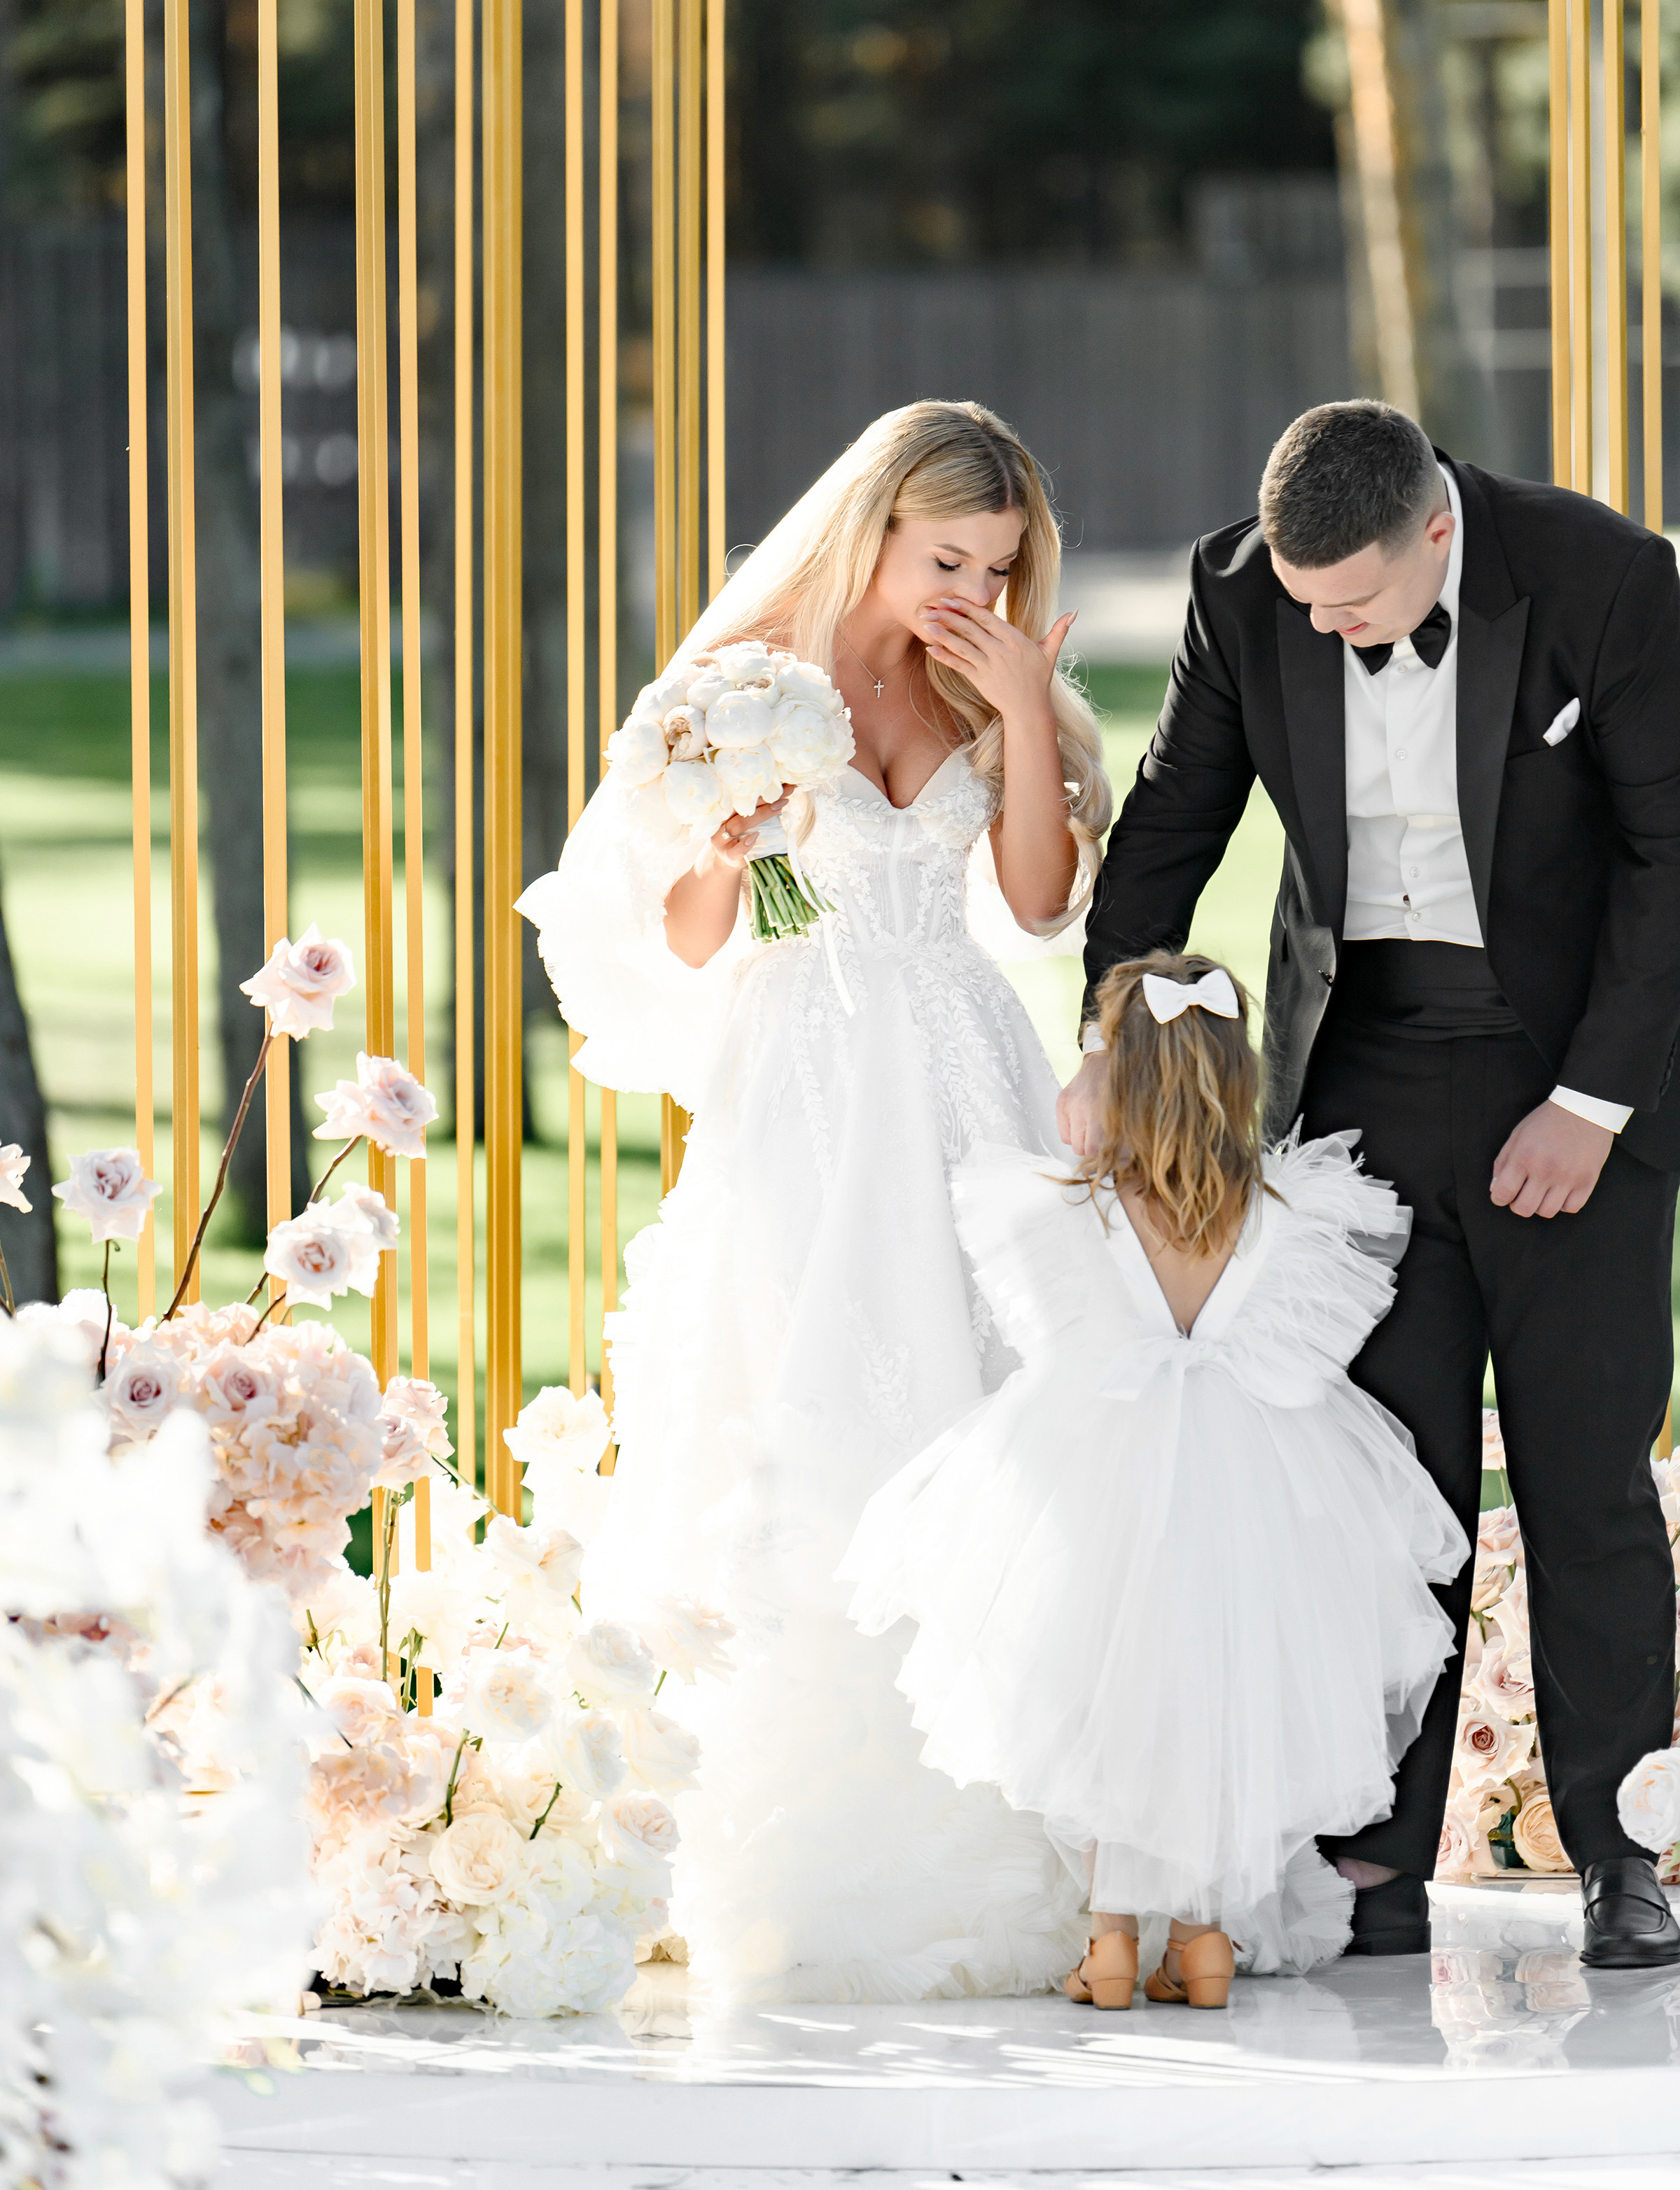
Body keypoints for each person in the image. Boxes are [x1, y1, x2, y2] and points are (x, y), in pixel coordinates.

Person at [1058, 400, 1680, 1970]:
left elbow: (1675, 857)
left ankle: (1627, 1853)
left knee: (1587, 1476)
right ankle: (1375, 1858)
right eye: (1304, 600)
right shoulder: (1241, 592)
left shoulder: (1606, 579)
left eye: (1356, 604)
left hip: (1571, 1076)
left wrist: (1590, 1105)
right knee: (1381, 1481)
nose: (1323, 628)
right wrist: (1113, 1044)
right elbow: (1165, 835)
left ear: (1439, 533)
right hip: (1366, 1077)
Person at [518, 398, 1112, 2002]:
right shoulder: (746, 682)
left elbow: (1046, 908)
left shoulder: (991, 680)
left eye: (996, 564)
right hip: (798, 1082)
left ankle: (1008, 1813)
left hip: (958, 1066)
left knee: (978, 1406)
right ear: (873, 530)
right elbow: (696, 939)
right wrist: (728, 841)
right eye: (944, 557)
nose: (968, 590)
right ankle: (757, 1829)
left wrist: (1031, 709)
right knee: (788, 1397)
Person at [840, 950, 1467, 2004]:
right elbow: (1308, 1353)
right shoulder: (1299, 1212)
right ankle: (1206, 1943)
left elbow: (1053, 1339)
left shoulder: (1057, 1211)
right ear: (1239, 1075)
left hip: (1099, 1469)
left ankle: (1112, 1944)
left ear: (1117, 1074)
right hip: (1260, 1482)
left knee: (1103, 1704)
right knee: (1219, 1699)